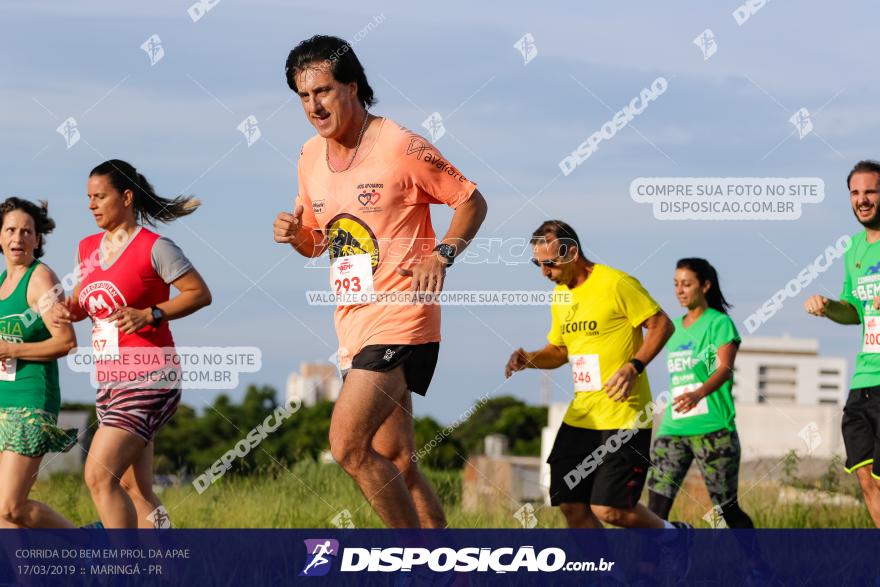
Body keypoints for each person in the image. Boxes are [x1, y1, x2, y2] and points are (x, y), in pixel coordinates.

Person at [274, 35, 487, 528]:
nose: (313, 105)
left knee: (347, 446)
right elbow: (319, 243)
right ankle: (449, 573)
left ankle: (413, 563)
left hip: (402, 317)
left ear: (353, 87)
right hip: (354, 324)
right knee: (397, 459)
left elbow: (471, 201)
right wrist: (295, 236)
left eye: (323, 91)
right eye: (304, 96)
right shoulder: (309, 156)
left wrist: (444, 253)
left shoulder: (400, 146)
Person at [51, 160, 212, 528]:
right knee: (134, 488)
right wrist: (65, 310)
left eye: (100, 197)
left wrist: (150, 314)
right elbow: (84, 304)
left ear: (126, 197)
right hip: (109, 380)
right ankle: (165, 570)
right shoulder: (87, 248)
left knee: (98, 475)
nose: (91, 205)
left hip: (151, 376)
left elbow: (199, 294)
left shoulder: (155, 247)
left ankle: (122, 568)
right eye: (88, 198)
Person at [505, 220, 684, 529]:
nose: (544, 272)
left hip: (624, 416)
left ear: (571, 251)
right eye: (538, 264)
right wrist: (530, 359)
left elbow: (662, 325)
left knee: (610, 509)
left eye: (549, 263)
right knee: (570, 505)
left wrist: (634, 366)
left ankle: (674, 536)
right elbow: (560, 351)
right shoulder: (560, 297)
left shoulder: (616, 283)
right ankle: (606, 575)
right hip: (583, 417)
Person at [646, 258, 754, 528]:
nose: (679, 290)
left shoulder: (719, 324)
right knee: (655, 509)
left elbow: (724, 369)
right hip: (673, 428)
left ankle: (758, 567)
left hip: (713, 428)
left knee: (727, 508)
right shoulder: (672, 329)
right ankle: (651, 569)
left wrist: (699, 393)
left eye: (686, 284)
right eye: (676, 285)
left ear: (705, 286)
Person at [805, 159, 880, 527]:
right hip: (864, 380)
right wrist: (830, 307)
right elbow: (856, 312)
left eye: (871, 191)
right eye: (855, 192)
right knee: (867, 481)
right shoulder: (853, 249)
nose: (862, 200)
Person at [0, 198, 78, 528]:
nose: (18, 238)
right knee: (2, 511)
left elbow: (66, 342)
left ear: (37, 239)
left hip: (31, 404)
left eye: (26, 231)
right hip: (3, 400)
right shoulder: (3, 282)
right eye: (11, 230)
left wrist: (12, 350)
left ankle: (87, 544)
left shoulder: (41, 279)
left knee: (10, 506)